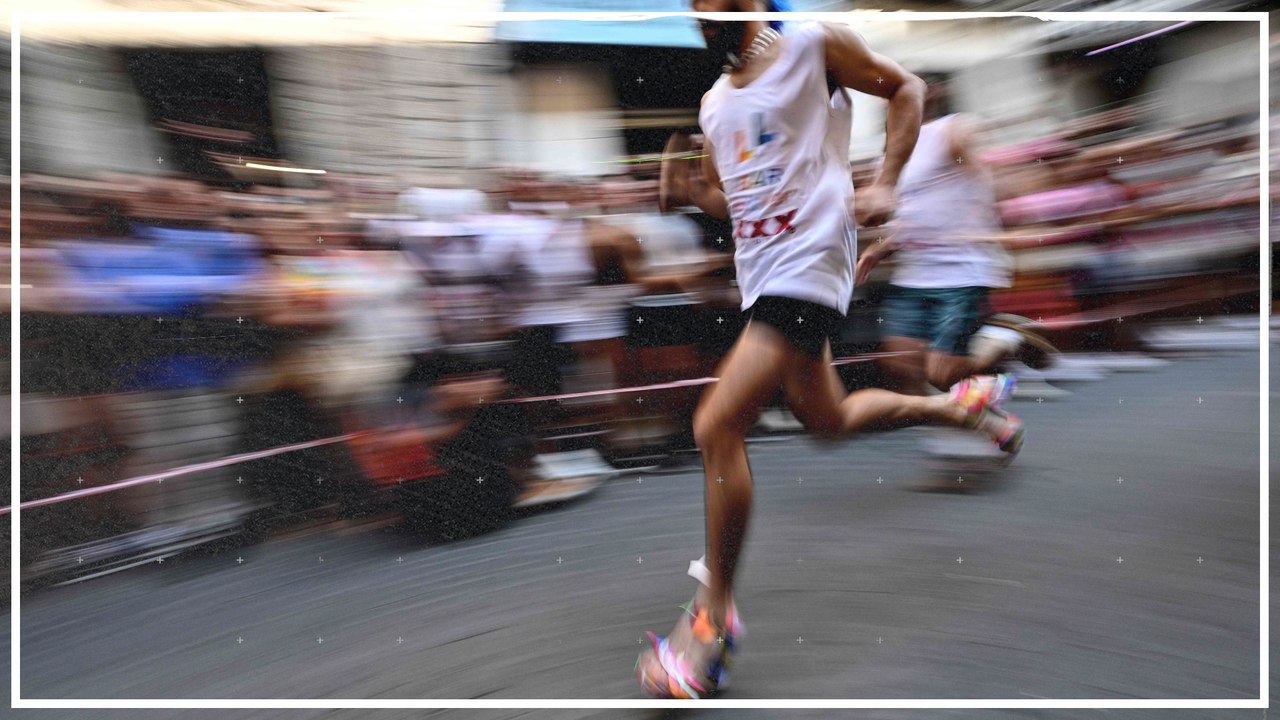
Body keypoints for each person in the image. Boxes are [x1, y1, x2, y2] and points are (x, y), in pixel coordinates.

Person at [635, 2, 1025, 699]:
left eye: (722, 6)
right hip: (767, 279)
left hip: (810, 268)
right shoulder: (714, 105)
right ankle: (965, 406)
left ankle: (712, 624)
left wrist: (886, 184)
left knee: (715, 424)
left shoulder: (813, 45)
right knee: (829, 420)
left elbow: (907, 89)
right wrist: (696, 195)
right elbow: (745, 198)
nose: (706, 16)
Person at [854, 74, 1057, 396]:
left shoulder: (953, 129)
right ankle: (975, 410)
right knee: (901, 363)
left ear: (926, 95)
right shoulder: (889, 157)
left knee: (941, 373)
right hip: (914, 274)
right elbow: (911, 213)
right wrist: (880, 248)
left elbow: (988, 165)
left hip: (961, 271)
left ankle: (1006, 338)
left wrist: (1007, 181)